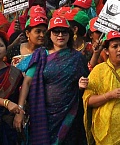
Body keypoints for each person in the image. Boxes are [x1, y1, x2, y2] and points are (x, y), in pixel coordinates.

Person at [14, 16, 90, 145]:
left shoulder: (77, 58)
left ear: (70, 35)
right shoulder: (41, 55)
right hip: (43, 113)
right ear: (50, 35)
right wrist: (20, 109)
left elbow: (85, 83)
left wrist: (81, 87)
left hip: (69, 112)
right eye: (56, 32)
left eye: (64, 32)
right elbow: (27, 82)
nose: (60, 35)